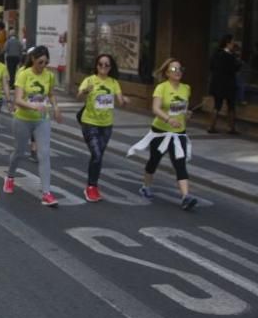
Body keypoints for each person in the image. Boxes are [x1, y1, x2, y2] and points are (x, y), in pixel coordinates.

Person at [128, 58, 197, 210]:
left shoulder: (186, 88)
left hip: (179, 134)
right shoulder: (161, 88)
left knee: (180, 164)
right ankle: (146, 186)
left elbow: (182, 110)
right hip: (160, 132)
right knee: (154, 160)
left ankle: (186, 197)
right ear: (166, 73)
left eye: (180, 69)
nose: (177, 72)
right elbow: (156, 108)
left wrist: (187, 115)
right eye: (173, 69)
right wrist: (168, 119)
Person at [3, 45, 63, 206]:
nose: (42, 66)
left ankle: (46, 193)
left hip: (42, 119)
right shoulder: (24, 75)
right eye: (40, 63)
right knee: (19, 151)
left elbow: (50, 93)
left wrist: (56, 107)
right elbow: (18, 100)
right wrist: (33, 106)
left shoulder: (49, 76)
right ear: (33, 60)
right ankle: (10, 176)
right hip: (22, 119)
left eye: (45, 62)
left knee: (44, 154)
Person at [77, 54, 128, 202]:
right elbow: (78, 96)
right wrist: (86, 91)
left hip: (106, 125)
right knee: (97, 154)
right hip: (90, 122)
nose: (103, 67)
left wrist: (124, 101)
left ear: (110, 68)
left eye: (107, 65)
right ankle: (91, 187)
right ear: (96, 66)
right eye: (100, 64)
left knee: (98, 157)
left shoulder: (113, 82)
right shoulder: (90, 80)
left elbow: (119, 100)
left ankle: (93, 185)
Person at [208, 34, 241, 135]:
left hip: (217, 83)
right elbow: (235, 68)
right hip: (228, 84)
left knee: (217, 105)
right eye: (232, 43)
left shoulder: (216, 54)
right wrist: (239, 63)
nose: (233, 45)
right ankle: (231, 128)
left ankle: (211, 126)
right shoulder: (230, 56)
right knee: (231, 106)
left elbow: (211, 66)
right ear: (228, 43)